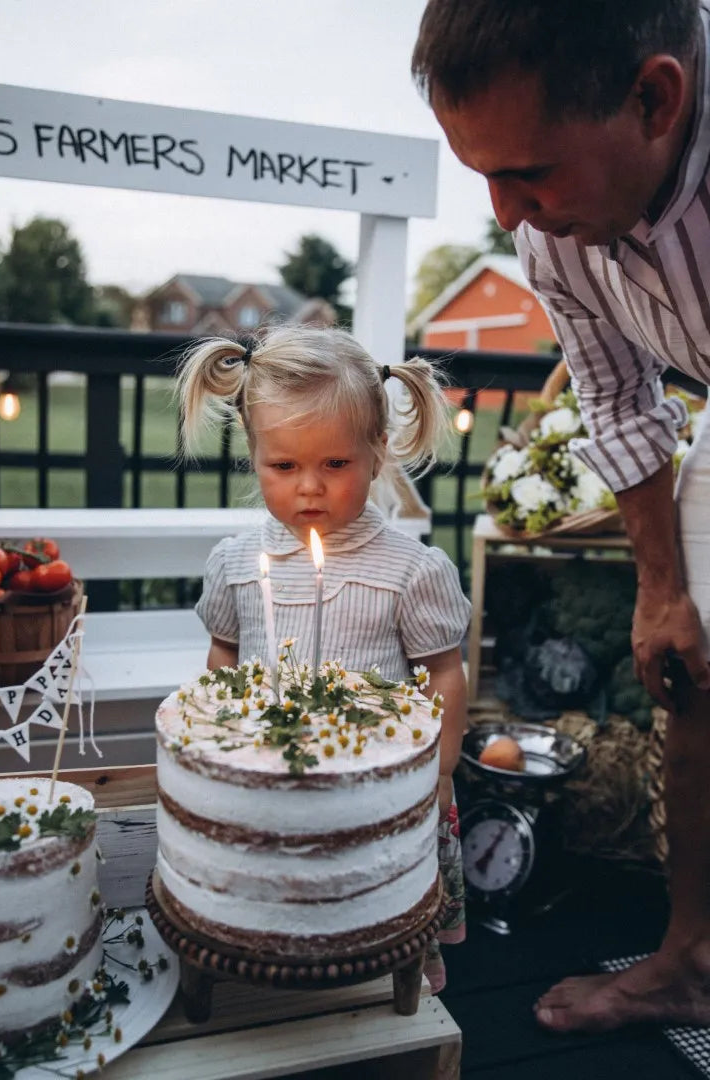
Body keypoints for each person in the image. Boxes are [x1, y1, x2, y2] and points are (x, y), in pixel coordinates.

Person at [412, 0, 710, 1033]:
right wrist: (665, 590)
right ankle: (692, 962)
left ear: (655, 98)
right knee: (693, 670)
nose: (503, 213)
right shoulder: (553, 242)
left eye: (528, 172)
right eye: (482, 173)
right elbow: (623, 402)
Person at [178, 325, 471, 992]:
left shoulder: (409, 572)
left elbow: (444, 671)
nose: (309, 488)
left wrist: (443, 769)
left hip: (380, 787)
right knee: (283, 892)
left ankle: (405, 964)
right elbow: (224, 654)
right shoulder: (235, 566)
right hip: (273, 783)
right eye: (284, 467)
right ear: (254, 455)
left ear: (377, 453)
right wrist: (217, 740)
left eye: (335, 465)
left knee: (383, 893)